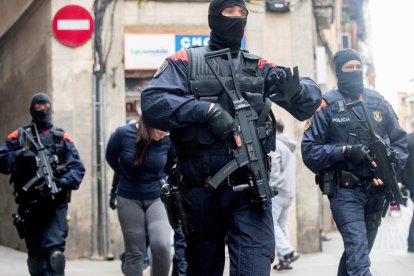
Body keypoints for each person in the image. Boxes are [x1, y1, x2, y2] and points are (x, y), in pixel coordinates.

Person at [141, 0, 322, 274]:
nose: (237, 18)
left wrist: (298, 90)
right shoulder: (184, 62)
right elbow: (153, 103)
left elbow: (308, 98)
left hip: (250, 190)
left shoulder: (258, 66)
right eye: (230, 12)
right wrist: (207, 111)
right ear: (215, 17)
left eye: (242, 13)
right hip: (201, 193)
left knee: (255, 268)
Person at [301, 48, 408, 276]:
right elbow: (310, 151)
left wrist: (390, 167)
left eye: (359, 67)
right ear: (339, 71)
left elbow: (400, 141)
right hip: (345, 192)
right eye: (350, 68)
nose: (355, 71)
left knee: (356, 256)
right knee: (359, 259)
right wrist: (345, 151)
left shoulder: (378, 102)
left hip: (376, 194)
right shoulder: (326, 106)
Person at [0, 92, 85, 276]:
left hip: (55, 204)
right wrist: (19, 156)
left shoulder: (61, 138)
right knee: (36, 260)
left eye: (46, 106)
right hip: (30, 205)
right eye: (38, 107)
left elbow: (78, 169)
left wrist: (62, 181)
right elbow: (2, 160)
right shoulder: (19, 136)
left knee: (55, 257)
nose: (43, 110)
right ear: (32, 109)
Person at [105, 117, 175, 276]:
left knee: (161, 245)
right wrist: (126, 175)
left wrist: (164, 181)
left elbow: (172, 163)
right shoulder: (122, 134)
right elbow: (110, 157)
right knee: (135, 251)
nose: (164, 134)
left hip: (157, 197)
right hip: (129, 197)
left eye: (167, 130)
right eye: (161, 130)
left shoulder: (167, 139)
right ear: (150, 124)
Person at [268, 120, 300, 270]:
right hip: (288, 190)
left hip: (277, 191)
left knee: (272, 224)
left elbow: (274, 171)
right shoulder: (289, 145)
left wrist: (270, 187)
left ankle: (287, 251)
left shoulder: (276, 145)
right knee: (281, 224)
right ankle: (284, 259)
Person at [402, 132, 414, 252]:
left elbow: (403, 163)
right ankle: (411, 243)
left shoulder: (407, 139)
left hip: (410, 183)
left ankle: (411, 242)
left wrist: (404, 183)